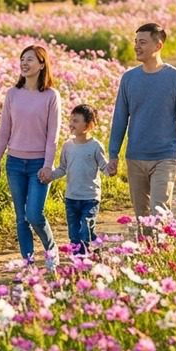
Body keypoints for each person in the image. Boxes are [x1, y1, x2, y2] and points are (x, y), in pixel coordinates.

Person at [106, 23, 176, 230]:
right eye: (136, 42)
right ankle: (148, 250)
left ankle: (162, 247)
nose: (137, 46)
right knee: (142, 218)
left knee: (159, 212)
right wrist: (113, 154)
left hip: (165, 157)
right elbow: (119, 119)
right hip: (135, 157)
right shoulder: (129, 78)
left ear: (158, 45)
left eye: (142, 42)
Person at [0, 45, 62, 271]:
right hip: (14, 163)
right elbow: (4, 131)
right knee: (21, 217)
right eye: (22, 59)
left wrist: (48, 166)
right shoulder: (12, 94)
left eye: (30, 59)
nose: (24, 63)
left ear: (42, 64)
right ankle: (28, 264)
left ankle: (51, 250)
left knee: (34, 215)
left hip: (39, 165)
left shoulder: (51, 96)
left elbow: (53, 136)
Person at [49, 104, 111, 255]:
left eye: (76, 121)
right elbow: (62, 168)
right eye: (71, 120)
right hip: (71, 197)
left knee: (85, 227)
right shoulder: (67, 146)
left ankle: (84, 257)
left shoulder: (96, 146)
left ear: (88, 125)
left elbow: (104, 167)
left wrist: (111, 170)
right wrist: (50, 176)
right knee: (74, 233)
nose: (71, 124)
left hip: (90, 197)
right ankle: (89, 249)